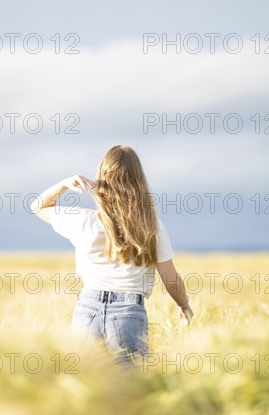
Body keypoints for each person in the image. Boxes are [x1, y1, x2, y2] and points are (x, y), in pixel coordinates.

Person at [30, 145, 194, 367]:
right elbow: (170, 278)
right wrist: (184, 304)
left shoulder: (83, 221)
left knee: (86, 387)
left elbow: (38, 206)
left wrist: (65, 184)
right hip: (129, 313)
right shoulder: (152, 226)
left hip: (86, 310)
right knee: (130, 391)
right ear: (138, 181)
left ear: (101, 179)